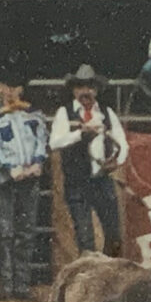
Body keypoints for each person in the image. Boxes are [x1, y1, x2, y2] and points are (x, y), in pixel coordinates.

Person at [50, 64, 128, 257]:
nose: (86, 92)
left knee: (113, 235)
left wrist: (117, 161)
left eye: (90, 87)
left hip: (102, 179)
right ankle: (89, 281)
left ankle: (110, 281)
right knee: (85, 238)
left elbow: (123, 143)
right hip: (77, 182)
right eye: (81, 87)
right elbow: (54, 142)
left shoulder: (107, 113)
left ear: (97, 90)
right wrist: (79, 134)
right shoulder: (64, 113)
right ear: (74, 90)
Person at [0, 68, 48, 300]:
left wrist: (38, 162)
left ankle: (22, 285)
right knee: (5, 231)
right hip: (5, 180)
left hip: (29, 176)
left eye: (13, 87)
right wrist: (10, 168)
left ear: (21, 89)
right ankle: (5, 286)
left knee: (26, 232)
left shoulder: (33, 115)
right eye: (4, 86)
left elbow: (41, 140)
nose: (8, 91)